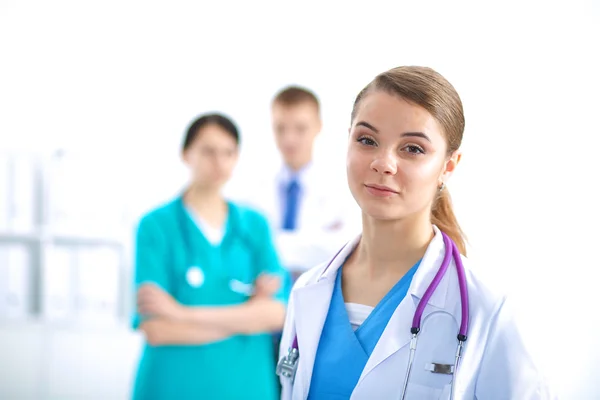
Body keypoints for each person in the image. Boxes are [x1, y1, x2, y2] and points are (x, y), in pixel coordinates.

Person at [276, 66, 555, 399]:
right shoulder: (309, 291)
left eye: (412, 148)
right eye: (367, 140)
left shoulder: (486, 308)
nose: (384, 163)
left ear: (449, 166)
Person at [131, 113, 290, 400]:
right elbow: (157, 329)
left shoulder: (254, 226)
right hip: (172, 387)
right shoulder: (155, 226)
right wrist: (246, 317)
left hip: (246, 387)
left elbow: (277, 314)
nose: (219, 162)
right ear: (185, 154)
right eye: (208, 151)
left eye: (228, 152)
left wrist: (181, 314)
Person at [231, 86, 360, 281]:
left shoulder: (344, 188)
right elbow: (239, 248)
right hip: (265, 299)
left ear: (318, 126)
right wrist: (313, 242)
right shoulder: (250, 189)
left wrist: (267, 242)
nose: (289, 139)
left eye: (300, 128)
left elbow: (344, 248)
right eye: (280, 128)